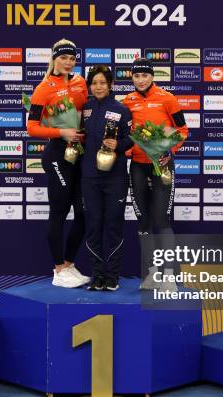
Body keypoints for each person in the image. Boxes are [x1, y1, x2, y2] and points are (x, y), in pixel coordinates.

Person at [26, 39, 89, 288]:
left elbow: (86, 111)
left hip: (79, 153)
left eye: (72, 58)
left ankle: (70, 264)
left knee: (83, 212)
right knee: (59, 212)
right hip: (57, 156)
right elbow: (31, 127)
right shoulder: (43, 88)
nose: (68, 62)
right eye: (64, 58)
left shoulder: (80, 81)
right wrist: (61, 133)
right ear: (54, 59)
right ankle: (58, 269)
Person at [122, 58, 188, 290]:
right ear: (132, 78)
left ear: (152, 76)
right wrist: (129, 151)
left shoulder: (167, 98)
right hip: (138, 166)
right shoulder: (126, 102)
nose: (141, 80)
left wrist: (169, 151)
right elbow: (123, 136)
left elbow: (182, 129)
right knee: (144, 221)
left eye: (145, 75)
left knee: (162, 220)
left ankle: (169, 275)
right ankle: (152, 275)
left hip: (163, 165)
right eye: (137, 76)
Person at [81, 65, 133, 291]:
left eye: (103, 82)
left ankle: (112, 276)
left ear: (111, 84)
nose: (98, 87)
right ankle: (97, 275)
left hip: (116, 178)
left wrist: (118, 145)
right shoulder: (85, 109)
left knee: (113, 226)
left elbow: (131, 140)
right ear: (89, 86)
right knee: (93, 226)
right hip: (90, 177)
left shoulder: (122, 109)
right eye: (94, 83)